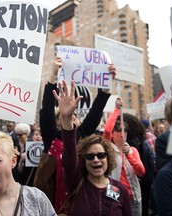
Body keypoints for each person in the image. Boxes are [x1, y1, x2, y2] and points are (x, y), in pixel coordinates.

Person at [37, 56, 117, 213]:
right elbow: (46, 110)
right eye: (65, 114)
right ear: (58, 120)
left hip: (82, 200)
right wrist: (52, 75)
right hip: (52, 203)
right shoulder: (51, 137)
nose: (70, 115)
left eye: (73, 113)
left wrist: (106, 83)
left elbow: (95, 113)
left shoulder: (82, 135)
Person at [53, 80, 131, 215]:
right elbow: (70, 155)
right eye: (90, 156)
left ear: (108, 158)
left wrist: (106, 83)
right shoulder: (76, 182)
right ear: (83, 160)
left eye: (101, 155)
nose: (96, 159)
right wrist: (66, 118)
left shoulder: (120, 190)